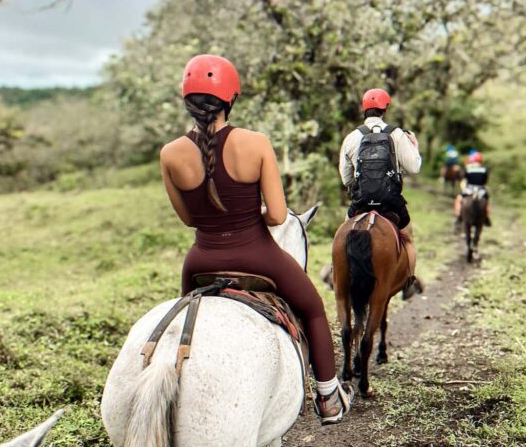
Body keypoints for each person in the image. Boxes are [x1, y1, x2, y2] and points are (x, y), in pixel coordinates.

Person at [160, 54, 351, 425]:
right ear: (231, 99)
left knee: (183, 321)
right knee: (313, 308)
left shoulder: (169, 154)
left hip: (200, 260)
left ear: (187, 101)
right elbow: (278, 216)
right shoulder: (256, 143)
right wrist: (248, 219)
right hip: (257, 254)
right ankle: (328, 396)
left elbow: (188, 219)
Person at [338, 88, 423, 299]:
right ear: (385, 108)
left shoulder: (351, 137)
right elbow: (414, 168)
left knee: (342, 236)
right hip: (390, 202)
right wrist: (415, 146)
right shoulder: (396, 134)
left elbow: (346, 179)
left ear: (364, 109)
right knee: (408, 238)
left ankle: (335, 272)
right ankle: (409, 281)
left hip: (361, 202)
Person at [454, 151, 492, 226]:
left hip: (469, 189)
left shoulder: (468, 169)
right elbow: (485, 181)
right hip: (481, 190)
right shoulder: (484, 169)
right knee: (487, 201)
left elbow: (465, 180)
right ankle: (486, 217)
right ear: (481, 161)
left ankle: (459, 216)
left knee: (458, 199)